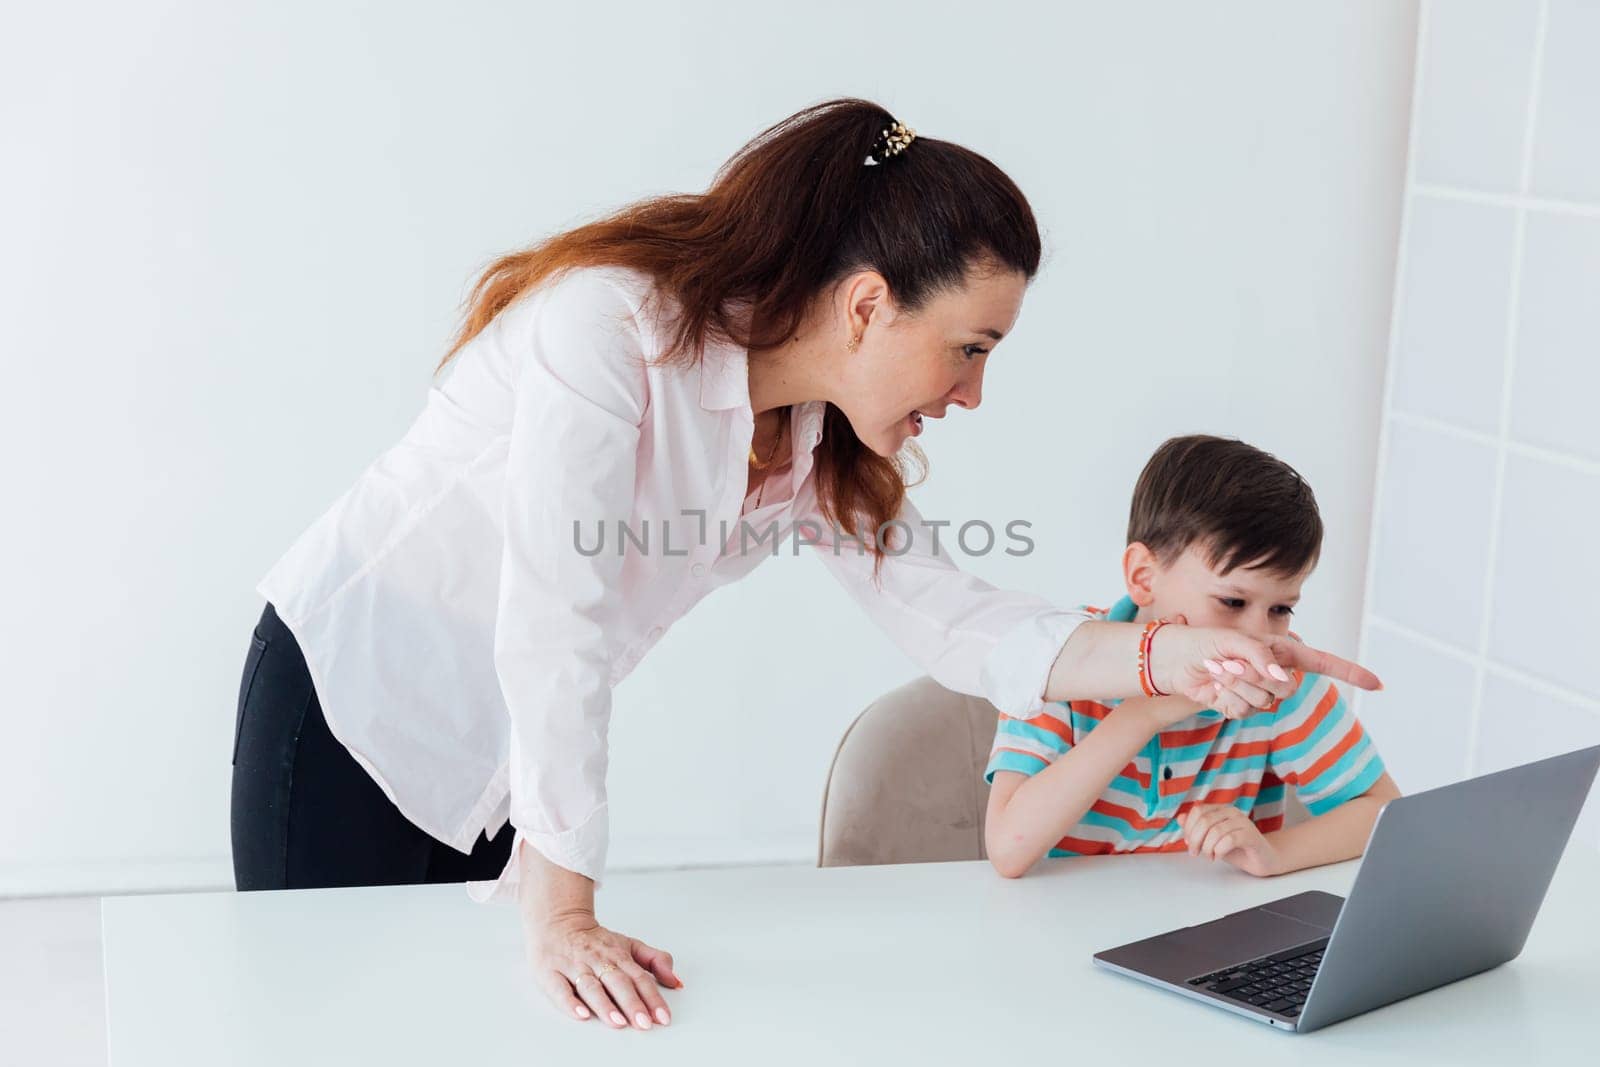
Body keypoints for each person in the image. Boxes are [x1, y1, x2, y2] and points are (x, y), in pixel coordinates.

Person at [229, 100, 1382, 1033]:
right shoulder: (606, 330)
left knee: (452, 1024)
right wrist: (566, 903)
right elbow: (555, 617)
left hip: (506, 743)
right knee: (324, 1024)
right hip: (350, 698)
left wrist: (1167, 651)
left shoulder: (811, 447)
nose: (972, 392)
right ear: (869, 304)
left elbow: (961, 622)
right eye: (970, 348)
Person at [984, 435, 1400, 880]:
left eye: (1280, 609)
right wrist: (1146, 713)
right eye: (1232, 603)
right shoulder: (1060, 659)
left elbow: (1384, 812)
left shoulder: (1278, 677)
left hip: (1216, 932)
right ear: (1144, 577)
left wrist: (1273, 853)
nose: (1257, 636)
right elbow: (1009, 850)